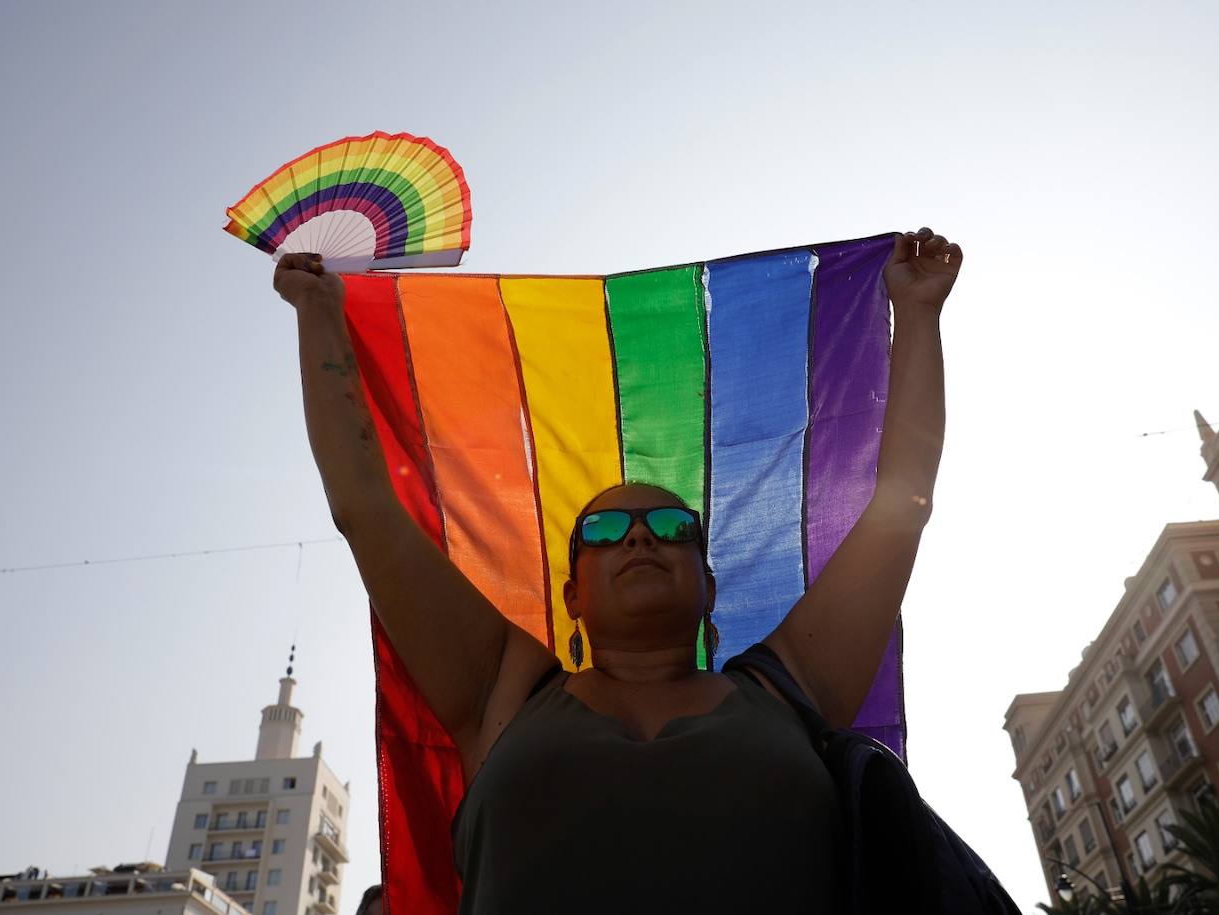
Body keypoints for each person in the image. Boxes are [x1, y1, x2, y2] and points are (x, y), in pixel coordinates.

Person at [273, 227, 961, 914]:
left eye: (671, 527)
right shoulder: (500, 691)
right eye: (604, 530)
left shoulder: (793, 687)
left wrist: (920, 313)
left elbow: (901, 507)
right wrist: (319, 314)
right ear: (572, 594)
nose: (638, 537)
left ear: (708, 583)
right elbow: (366, 507)